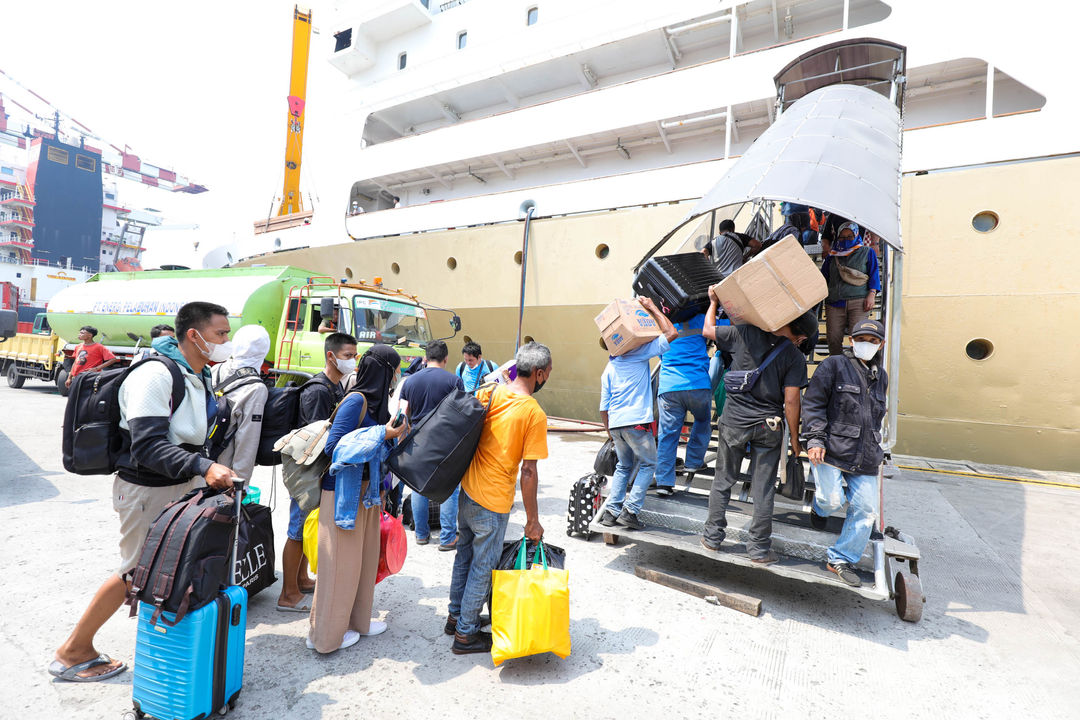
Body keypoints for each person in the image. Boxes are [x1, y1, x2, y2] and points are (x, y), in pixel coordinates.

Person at [49, 302, 238, 681]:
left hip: (178, 484)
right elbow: (147, 446)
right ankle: (73, 651)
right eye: (220, 334)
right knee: (135, 572)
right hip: (146, 489)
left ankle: (165, 652)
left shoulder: (197, 373)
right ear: (194, 335)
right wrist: (204, 466)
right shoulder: (155, 375)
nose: (226, 342)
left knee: (163, 573)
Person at [700, 288, 815, 564]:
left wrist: (714, 301)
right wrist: (796, 442)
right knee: (762, 489)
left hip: (734, 421)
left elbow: (707, 330)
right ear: (799, 336)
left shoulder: (746, 333)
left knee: (723, 480)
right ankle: (759, 550)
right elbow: (791, 403)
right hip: (769, 427)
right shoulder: (795, 358)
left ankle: (712, 538)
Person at [448, 342, 550, 655]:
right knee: (483, 565)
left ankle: (456, 616)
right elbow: (529, 473)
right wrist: (532, 521)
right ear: (541, 374)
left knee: (464, 553)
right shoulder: (533, 412)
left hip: (467, 490)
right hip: (493, 501)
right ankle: (465, 634)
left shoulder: (490, 392)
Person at [309, 344, 404, 653]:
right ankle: (324, 637)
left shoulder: (378, 405)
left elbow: (377, 447)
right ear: (384, 372)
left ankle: (358, 622)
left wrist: (394, 435)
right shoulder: (356, 401)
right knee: (339, 566)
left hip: (367, 492)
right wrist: (381, 435)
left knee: (362, 564)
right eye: (395, 370)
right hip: (342, 493)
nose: (397, 376)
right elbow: (333, 447)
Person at [802, 319, 889, 586]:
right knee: (831, 501)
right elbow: (814, 403)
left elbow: (875, 416)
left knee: (866, 509)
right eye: (862, 339)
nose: (867, 345)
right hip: (831, 448)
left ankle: (840, 558)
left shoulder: (881, 376)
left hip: (864, 454)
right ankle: (819, 508)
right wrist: (815, 439)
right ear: (852, 340)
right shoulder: (833, 365)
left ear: (881, 345)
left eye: (873, 342)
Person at [278, 332, 357, 613]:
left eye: (354, 355)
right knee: (297, 530)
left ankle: (300, 579)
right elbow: (316, 438)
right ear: (331, 356)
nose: (353, 361)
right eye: (348, 356)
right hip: (306, 471)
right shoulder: (318, 391)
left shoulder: (335, 387)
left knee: (305, 526)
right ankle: (287, 594)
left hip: (317, 471)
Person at [598, 297, 677, 529]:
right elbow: (671, 333)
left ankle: (611, 512)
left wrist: (610, 432)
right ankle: (630, 511)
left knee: (623, 466)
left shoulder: (608, 369)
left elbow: (603, 407)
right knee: (648, 464)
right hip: (637, 423)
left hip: (616, 425)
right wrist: (652, 307)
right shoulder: (640, 353)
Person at [401, 340, 466, 549]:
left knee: (419, 487)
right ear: (446, 359)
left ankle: (421, 534)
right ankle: (447, 538)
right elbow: (461, 414)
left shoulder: (409, 381)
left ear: (425, 358)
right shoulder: (454, 381)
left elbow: (404, 415)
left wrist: (403, 444)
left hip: (417, 441)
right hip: (445, 442)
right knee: (448, 488)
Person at [654, 310, 713, 496]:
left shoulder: (663, 324)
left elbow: (659, 352)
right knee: (702, 421)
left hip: (670, 387)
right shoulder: (703, 318)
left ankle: (664, 482)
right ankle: (694, 462)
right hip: (698, 384)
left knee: (668, 434)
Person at [210, 325, 271, 483]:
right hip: (225, 470)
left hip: (204, 461)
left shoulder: (216, 369)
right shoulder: (256, 388)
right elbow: (247, 440)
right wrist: (240, 484)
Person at [821, 222, 881, 356]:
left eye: (850, 236)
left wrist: (871, 294)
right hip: (835, 303)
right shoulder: (832, 255)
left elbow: (874, 275)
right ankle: (837, 366)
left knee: (859, 338)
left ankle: (856, 369)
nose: (846, 240)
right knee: (833, 338)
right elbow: (823, 278)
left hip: (859, 302)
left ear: (856, 235)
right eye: (842, 237)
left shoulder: (867, 252)